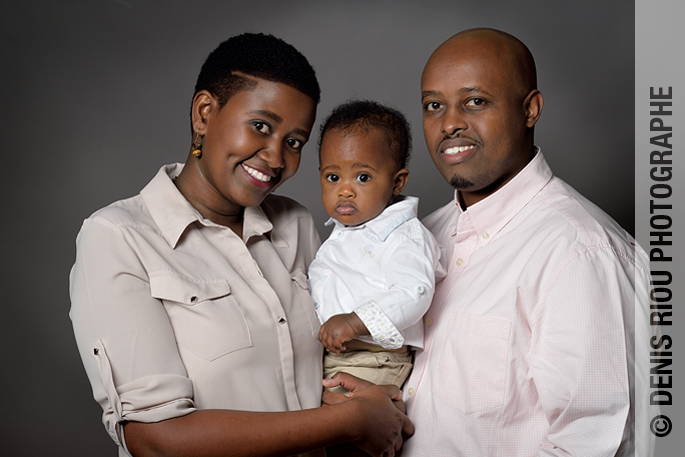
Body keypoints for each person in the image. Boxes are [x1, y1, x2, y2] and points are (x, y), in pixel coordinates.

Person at [69, 33, 412, 457]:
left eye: (295, 142)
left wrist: (363, 398)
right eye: (261, 126)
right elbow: (155, 439)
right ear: (204, 113)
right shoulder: (118, 237)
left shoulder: (297, 224)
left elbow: (315, 371)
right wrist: (351, 421)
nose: (275, 158)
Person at [326, 28, 654, 456]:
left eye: (475, 101)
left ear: (530, 109)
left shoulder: (583, 254)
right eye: (434, 105)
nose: (449, 123)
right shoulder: (419, 237)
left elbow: (600, 444)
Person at [310, 100, 443, 395]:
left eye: (363, 177)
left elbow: (414, 292)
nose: (344, 189)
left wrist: (355, 322)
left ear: (397, 182)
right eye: (333, 177)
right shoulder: (346, 233)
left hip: (373, 361)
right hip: (338, 356)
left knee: (343, 431)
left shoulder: (404, 236)